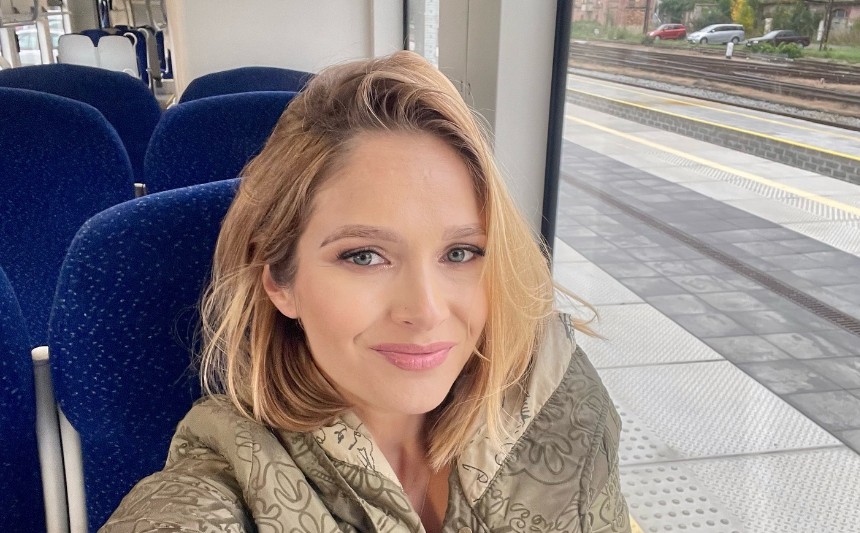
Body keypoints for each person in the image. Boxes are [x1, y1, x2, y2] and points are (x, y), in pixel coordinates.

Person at [102, 51, 629, 533]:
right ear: (280, 281)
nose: (425, 311)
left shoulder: (556, 398)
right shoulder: (228, 481)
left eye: (461, 252)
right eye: (364, 256)